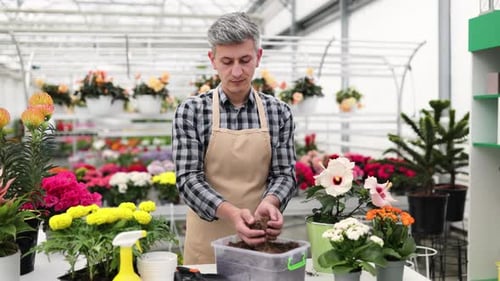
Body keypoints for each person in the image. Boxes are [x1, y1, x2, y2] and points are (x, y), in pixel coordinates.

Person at [172, 11, 297, 264]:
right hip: (206, 248)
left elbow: (285, 174)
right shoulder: (192, 111)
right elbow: (187, 180)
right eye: (227, 61)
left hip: (259, 241)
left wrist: (271, 203)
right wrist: (231, 213)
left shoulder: (279, 112)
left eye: (245, 59)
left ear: (258, 57)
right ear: (213, 59)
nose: (237, 71)